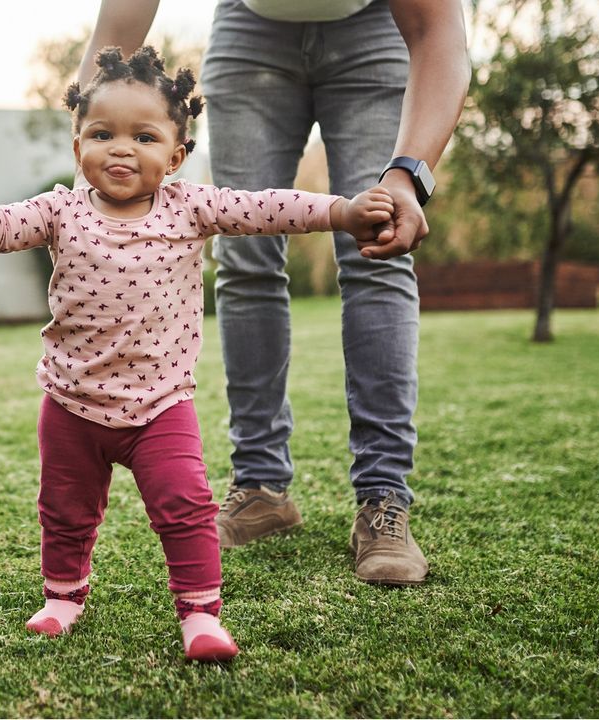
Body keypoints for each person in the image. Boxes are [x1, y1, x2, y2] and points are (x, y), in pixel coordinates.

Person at [0, 46, 398, 661]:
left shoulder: (191, 207)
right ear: (78, 149)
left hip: (160, 408)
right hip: (71, 404)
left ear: (175, 157)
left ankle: (201, 616)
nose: (121, 148)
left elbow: (268, 207)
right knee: (64, 510)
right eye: (102, 133)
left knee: (185, 508)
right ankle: (63, 597)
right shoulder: (59, 210)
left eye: (144, 136)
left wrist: (340, 211)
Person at [80, 0, 469, 586]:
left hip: (375, 29)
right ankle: (261, 488)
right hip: (251, 31)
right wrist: (88, 139)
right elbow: (117, 29)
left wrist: (408, 175)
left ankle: (384, 498)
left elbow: (439, 31)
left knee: (378, 246)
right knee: (244, 256)